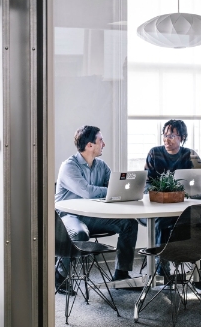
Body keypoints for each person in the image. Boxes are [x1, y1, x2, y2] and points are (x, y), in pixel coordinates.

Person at [55, 125, 138, 292]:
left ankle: (121, 274)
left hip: (91, 215)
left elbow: (115, 186)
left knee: (129, 224)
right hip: (68, 216)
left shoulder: (101, 166)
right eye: (101, 140)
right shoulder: (69, 166)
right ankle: (60, 276)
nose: (104, 144)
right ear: (89, 145)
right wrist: (111, 191)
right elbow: (86, 191)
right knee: (79, 233)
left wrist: (125, 189)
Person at [144, 119, 201, 294]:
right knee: (161, 223)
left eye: (172, 136)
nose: (167, 140)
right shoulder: (154, 153)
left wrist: (198, 191)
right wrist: (158, 193)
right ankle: (164, 273)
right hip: (160, 208)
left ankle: (198, 274)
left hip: (184, 207)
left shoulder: (190, 155)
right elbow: (146, 183)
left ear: (181, 137)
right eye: (165, 135)